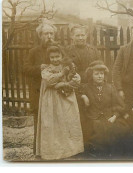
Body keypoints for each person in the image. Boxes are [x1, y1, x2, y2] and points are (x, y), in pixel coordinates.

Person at [36, 45, 84, 160]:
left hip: (67, 99)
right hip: (52, 100)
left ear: (62, 56)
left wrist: (63, 84)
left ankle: (69, 150)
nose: (55, 59)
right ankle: (54, 152)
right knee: (53, 124)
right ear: (49, 58)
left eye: (57, 56)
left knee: (68, 121)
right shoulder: (46, 69)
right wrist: (62, 74)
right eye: (52, 57)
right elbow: (49, 81)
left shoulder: (68, 67)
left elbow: (77, 80)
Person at [79, 61, 131, 158]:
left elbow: (119, 105)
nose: (100, 76)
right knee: (95, 132)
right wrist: (83, 96)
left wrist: (115, 116)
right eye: (96, 74)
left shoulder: (110, 87)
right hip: (92, 118)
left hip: (109, 116)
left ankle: (113, 156)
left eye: (102, 74)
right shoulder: (86, 87)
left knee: (119, 130)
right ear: (91, 75)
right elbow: (77, 94)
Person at [23, 20, 58, 154]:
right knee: (40, 122)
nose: (49, 36)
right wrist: (39, 68)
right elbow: (24, 69)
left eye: (51, 33)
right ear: (40, 35)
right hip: (39, 92)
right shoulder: (34, 51)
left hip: (55, 92)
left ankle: (54, 151)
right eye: (46, 34)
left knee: (56, 121)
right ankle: (39, 152)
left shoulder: (58, 50)